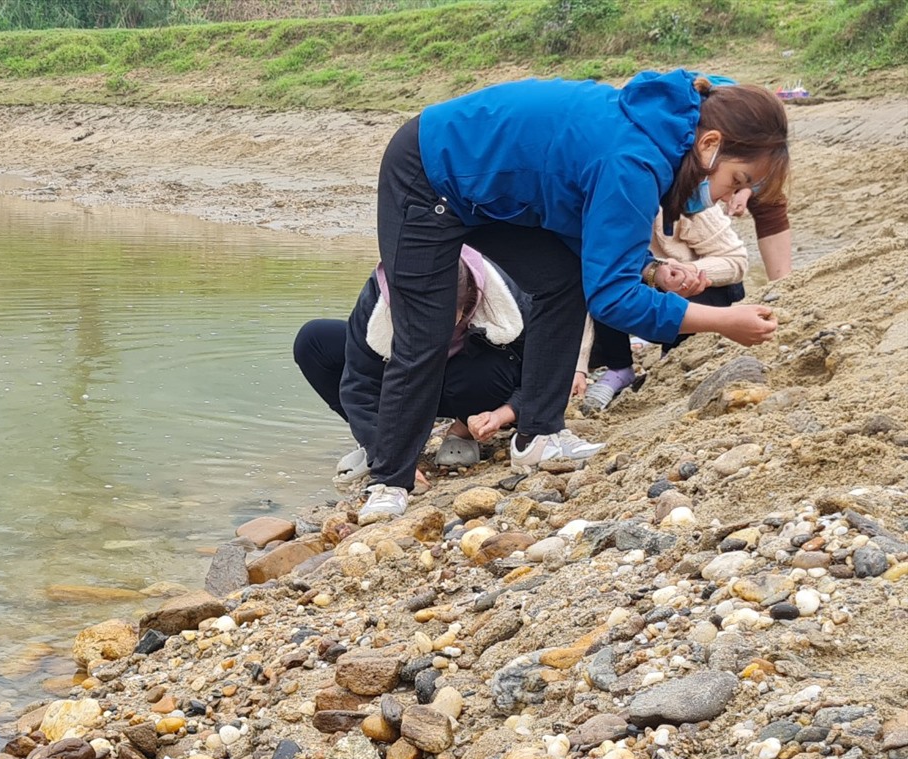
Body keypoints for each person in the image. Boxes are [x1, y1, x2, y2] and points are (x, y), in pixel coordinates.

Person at [355, 70, 787, 525]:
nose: (730, 199)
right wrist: (724, 320)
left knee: (562, 278)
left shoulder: (674, 120)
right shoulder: (635, 159)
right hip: (428, 171)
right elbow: (614, 300)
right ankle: (389, 481)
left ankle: (538, 434)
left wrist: (654, 269)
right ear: (709, 144)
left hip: (490, 189)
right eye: (737, 180)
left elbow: (603, 245)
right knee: (426, 331)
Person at [294, 246, 527, 485]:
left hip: (466, 380)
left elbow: (547, 377)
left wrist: (504, 413)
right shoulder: (379, 294)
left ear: (466, 303)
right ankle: (379, 438)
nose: (426, 332)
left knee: (482, 372)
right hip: (406, 377)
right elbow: (359, 382)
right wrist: (385, 454)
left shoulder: (505, 296)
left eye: (439, 324)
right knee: (314, 340)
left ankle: (463, 429)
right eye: (415, 322)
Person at [576, 198, 751, 412]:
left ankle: (674, 355)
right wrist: (579, 366)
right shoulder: (599, 211)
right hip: (641, 289)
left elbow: (736, 260)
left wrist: (687, 272)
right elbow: (588, 287)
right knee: (606, 283)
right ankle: (619, 366)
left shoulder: (689, 199)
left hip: (699, 289)